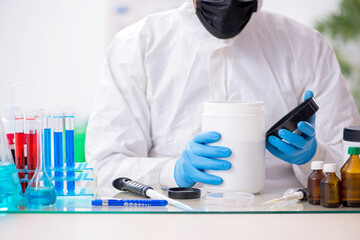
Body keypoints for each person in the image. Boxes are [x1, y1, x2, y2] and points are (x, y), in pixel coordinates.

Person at [85, 0, 360, 190]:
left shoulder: (305, 46)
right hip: (173, 220)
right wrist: (172, 172)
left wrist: (314, 156)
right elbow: (105, 166)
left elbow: (354, 158)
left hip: (281, 216)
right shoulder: (137, 45)